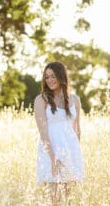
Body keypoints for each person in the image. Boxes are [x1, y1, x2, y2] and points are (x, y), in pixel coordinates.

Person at [34, 61, 84, 205]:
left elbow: (77, 129)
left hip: (69, 151)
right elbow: (43, 131)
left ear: (61, 77)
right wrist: (52, 156)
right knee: (53, 198)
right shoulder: (41, 99)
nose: (49, 80)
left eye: (53, 76)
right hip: (51, 151)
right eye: (47, 77)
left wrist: (74, 154)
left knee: (68, 198)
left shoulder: (75, 99)